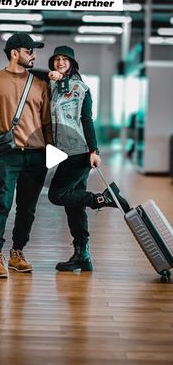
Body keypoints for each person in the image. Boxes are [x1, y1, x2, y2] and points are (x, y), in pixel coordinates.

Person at [0, 32, 52, 278]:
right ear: (15, 52)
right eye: (30, 51)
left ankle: (18, 252)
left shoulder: (39, 84)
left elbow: (47, 121)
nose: (34, 56)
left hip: (37, 155)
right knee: (1, 204)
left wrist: (52, 150)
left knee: (27, 208)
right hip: (8, 153)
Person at [47, 46, 130, 272]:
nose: (60, 62)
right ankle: (82, 255)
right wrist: (52, 77)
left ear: (73, 63)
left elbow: (87, 119)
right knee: (73, 206)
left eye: (65, 59)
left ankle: (103, 199)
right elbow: (31, 73)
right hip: (63, 151)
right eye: (57, 59)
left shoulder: (81, 88)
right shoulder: (54, 87)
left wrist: (94, 150)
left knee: (57, 195)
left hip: (79, 151)